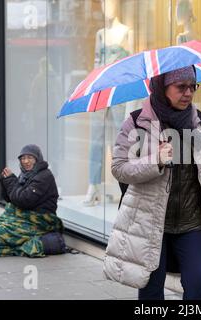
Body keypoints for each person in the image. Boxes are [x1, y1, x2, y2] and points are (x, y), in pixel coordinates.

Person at [103, 66, 201, 300]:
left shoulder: (199, 122)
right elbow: (119, 168)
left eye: (193, 86)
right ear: (163, 88)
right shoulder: (136, 123)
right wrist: (156, 161)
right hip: (151, 223)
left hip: (192, 222)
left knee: (197, 284)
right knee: (151, 289)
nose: (188, 93)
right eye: (181, 87)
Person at [83, 0, 135, 206]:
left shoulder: (126, 32)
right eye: (103, 3)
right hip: (102, 90)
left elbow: (130, 65)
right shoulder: (100, 34)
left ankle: (125, 183)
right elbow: (96, 63)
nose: (106, 6)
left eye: (110, 2)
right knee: (96, 138)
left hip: (119, 90)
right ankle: (93, 184)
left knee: (120, 138)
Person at [0, 144, 65, 258]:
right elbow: (10, 198)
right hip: (24, 216)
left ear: (37, 159)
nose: (26, 161)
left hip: (39, 220)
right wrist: (6, 180)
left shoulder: (44, 176)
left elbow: (24, 200)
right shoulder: (26, 174)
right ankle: (24, 245)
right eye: (23, 158)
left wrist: (10, 180)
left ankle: (31, 246)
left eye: (30, 158)